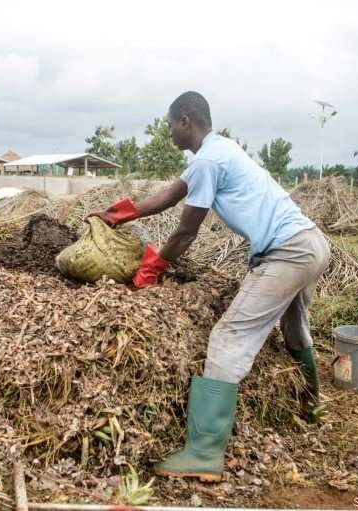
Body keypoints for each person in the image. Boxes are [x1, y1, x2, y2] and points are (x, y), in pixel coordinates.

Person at [90, 91, 330, 482]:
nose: (169, 132)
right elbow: (170, 195)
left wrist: (153, 268)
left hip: (288, 252)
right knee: (294, 327)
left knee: (227, 337)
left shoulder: (208, 160)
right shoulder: (220, 150)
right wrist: (121, 214)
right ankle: (310, 405)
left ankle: (203, 453)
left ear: (186, 121)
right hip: (311, 242)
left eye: (171, 125)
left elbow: (186, 231)